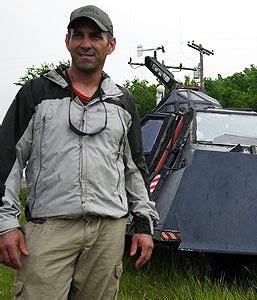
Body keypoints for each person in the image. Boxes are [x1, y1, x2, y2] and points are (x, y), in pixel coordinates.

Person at [0, 5, 159, 299]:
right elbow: (7, 159)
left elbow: (134, 168)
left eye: (95, 36)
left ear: (110, 45)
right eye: (79, 35)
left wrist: (143, 224)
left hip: (107, 232)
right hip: (49, 228)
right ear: (67, 41)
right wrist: (5, 225)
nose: (86, 43)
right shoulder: (37, 93)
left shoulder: (123, 102)